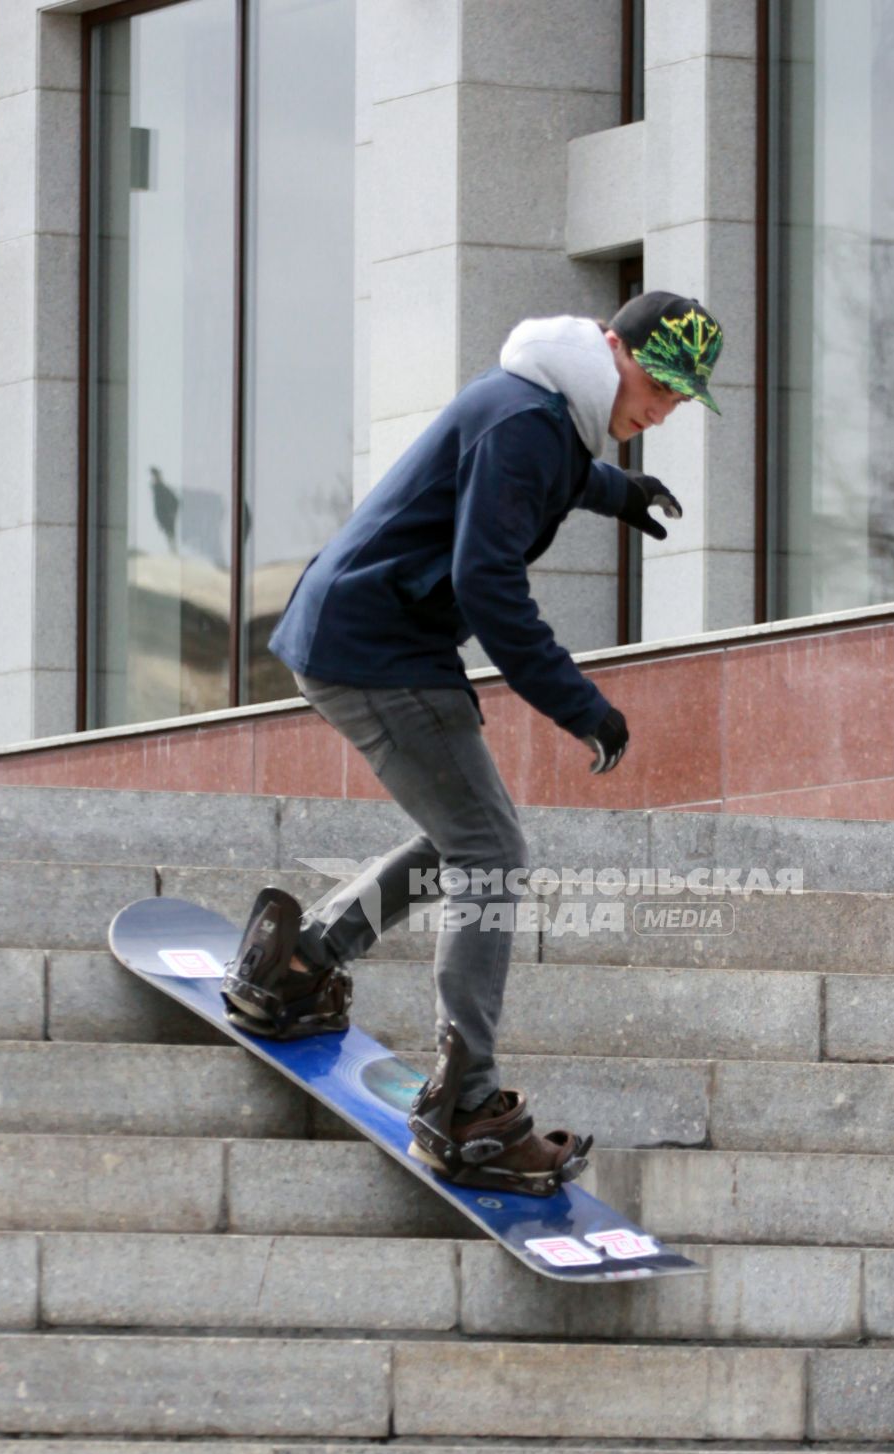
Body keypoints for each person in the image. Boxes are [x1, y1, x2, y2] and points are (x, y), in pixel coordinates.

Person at [222, 289, 724, 1197]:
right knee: (489, 849)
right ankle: (466, 1107)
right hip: (376, 649)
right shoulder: (530, 423)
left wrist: (618, 491)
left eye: (680, 397)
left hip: (366, 635)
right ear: (612, 347)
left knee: (468, 837)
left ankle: (302, 964)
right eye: (656, 382)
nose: (661, 407)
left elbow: (547, 473)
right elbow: (487, 581)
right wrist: (578, 702)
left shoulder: (544, 404)